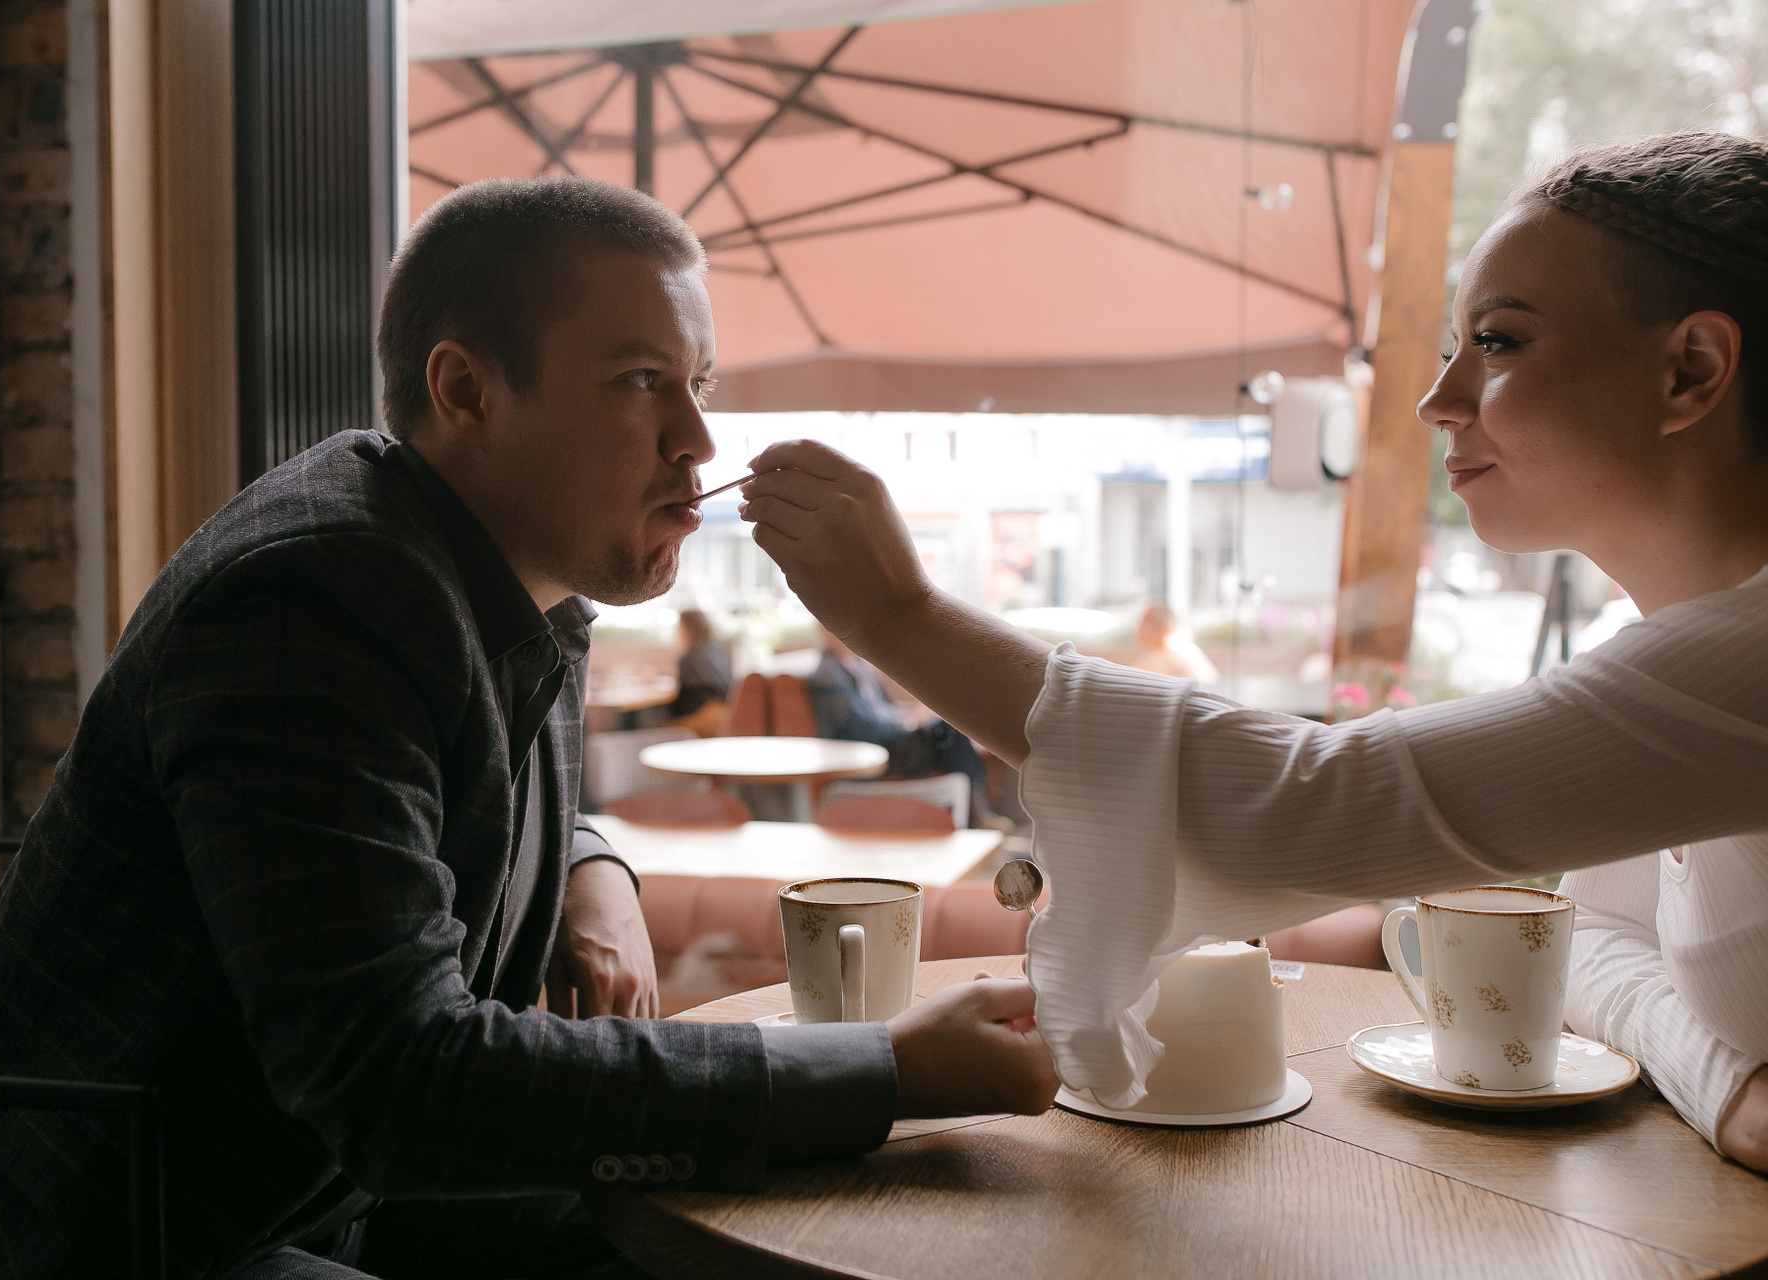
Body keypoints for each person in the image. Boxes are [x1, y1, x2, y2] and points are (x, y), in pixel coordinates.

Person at [0, 177, 1058, 1278]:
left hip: (301, 1179)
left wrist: (588, 860)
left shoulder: (496, 577)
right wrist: (884, 1068)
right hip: (98, 1228)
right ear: (467, 390)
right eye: (643, 380)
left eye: (702, 384)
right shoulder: (312, 601)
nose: (698, 439)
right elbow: (402, 1081)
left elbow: (418, 790)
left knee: (745, 1241)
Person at [738, 133, 1768, 1170]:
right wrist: (1726, 1083)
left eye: (1498, 341)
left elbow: (1308, 803)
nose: (1438, 398)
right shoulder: (1679, 666)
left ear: (1691, 370)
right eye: (1453, 345)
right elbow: (1593, 941)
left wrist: (901, 615)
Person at [807, 629, 987, 800]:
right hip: (871, 750)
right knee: (947, 734)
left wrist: (910, 713)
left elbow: (883, 707)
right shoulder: (828, 675)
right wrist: (908, 721)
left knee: (945, 729)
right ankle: (976, 811)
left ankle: (971, 808)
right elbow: (860, 726)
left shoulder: (858, 665)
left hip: (887, 739)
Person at [668, 608, 732, 735]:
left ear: (687, 630)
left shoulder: (688, 658)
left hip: (699, 720)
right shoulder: (716, 652)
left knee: (655, 722)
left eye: (679, 627)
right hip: (725, 717)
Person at [1122, 601, 1219, 682]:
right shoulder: (1186, 647)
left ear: (1162, 629)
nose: (1138, 630)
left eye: (1143, 624)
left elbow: (1131, 682)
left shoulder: (1167, 655)